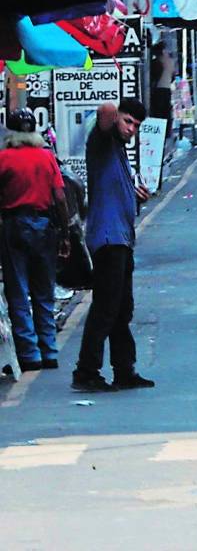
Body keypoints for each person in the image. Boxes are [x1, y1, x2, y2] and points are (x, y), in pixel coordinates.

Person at [72, 99, 155, 393]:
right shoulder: (101, 144)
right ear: (117, 120)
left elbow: (120, 197)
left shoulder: (119, 153)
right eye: (128, 121)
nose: (131, 129)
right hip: (107, 240)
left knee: (122, 308)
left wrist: (138, 198)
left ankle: (124, 369)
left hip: (122, 238)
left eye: (136, 126)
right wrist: (115, 115)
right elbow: (106, 109)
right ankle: (86, 371)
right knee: (106, 307)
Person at [0, 109, 70, 372]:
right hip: (44, 226)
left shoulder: (4, 158)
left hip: (14, 225)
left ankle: (29, 355)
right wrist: (65, 234)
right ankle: (49, 350)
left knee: (18, 291)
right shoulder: (45, 156)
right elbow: (60, 198)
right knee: (44, 290)